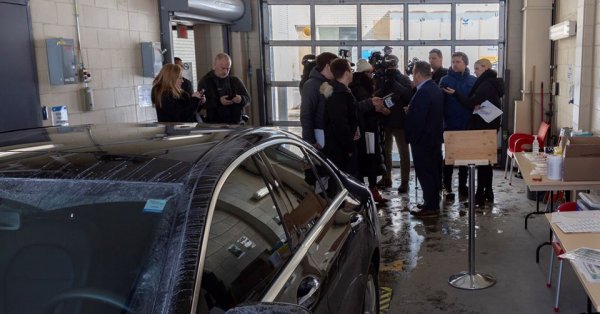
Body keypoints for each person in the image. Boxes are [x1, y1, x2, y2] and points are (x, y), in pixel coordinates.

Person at [443, 58, 504, 206]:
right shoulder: (492, 83)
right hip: (490, 126)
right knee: (487, 163)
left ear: (484, 68)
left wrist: (456, 93)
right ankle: (488, 192)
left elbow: (471, 103)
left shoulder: (485, 85)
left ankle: (479, 197)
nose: (475, 71)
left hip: (483, 128)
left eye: (477, 69)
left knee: (483, 164)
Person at [404, 61, 444, 218]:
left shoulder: (423, 92)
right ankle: (430, 201)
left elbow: (419, 119)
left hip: (423, 140)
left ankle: (431, 207)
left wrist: (412, 137)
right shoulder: (435, 88)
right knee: (433, 171)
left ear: (418, 74)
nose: (413, 77)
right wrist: (412, 109)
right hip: (433, 137)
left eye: (414, 74)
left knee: (425, 172)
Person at [350, 59, 389, 203]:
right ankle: (371, 191)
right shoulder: (361, 88)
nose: (371, 75)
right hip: (368, 130)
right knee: (370, 160)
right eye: (368, 72)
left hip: (365, 129)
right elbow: (364, 107)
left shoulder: (355, 86)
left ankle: (364, 192)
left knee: (365, 161)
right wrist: (377, 107)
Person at [439, 52, 476, 201]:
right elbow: (439, 103)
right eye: (453, 62)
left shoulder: (473, 81)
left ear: (465, 63)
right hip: (450, 124)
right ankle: (446, 186)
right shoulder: (445, 80)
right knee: (449, 158)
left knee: (465, 159)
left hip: (467, 124)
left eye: (458, 62)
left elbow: (474, 101)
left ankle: (463, 186)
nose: (455, 64)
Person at [374, 54, 413, 193]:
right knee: (386, 152)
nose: (390, 67)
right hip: (385, 120)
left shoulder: (403, 79)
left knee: (403, 152)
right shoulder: (381, 78)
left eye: (392, 64)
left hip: (400, 121)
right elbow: (375, 95)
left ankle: (404, 181)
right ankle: (386, 178)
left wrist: (394, 84)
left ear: (396, 64)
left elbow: (409, 96)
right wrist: (385, 85)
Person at [197, 53, 251, 124]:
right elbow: (199, 104)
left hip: (236, 123)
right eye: (222, 68)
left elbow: (248, 100)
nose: (225, 72)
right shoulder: (205, 81)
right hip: (215, 124)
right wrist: (219, 102)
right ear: (214, 66)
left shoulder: (235, 81)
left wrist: (241, 99)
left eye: (228, 69)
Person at [300, 52, 338, 148]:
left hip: (329, 135)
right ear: (327, 66)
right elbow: (306, 114)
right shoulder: (312, 85)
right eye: (335, 66)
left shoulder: (329, 83)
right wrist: (310, 141)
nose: (337, 70)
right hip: (320, 137)